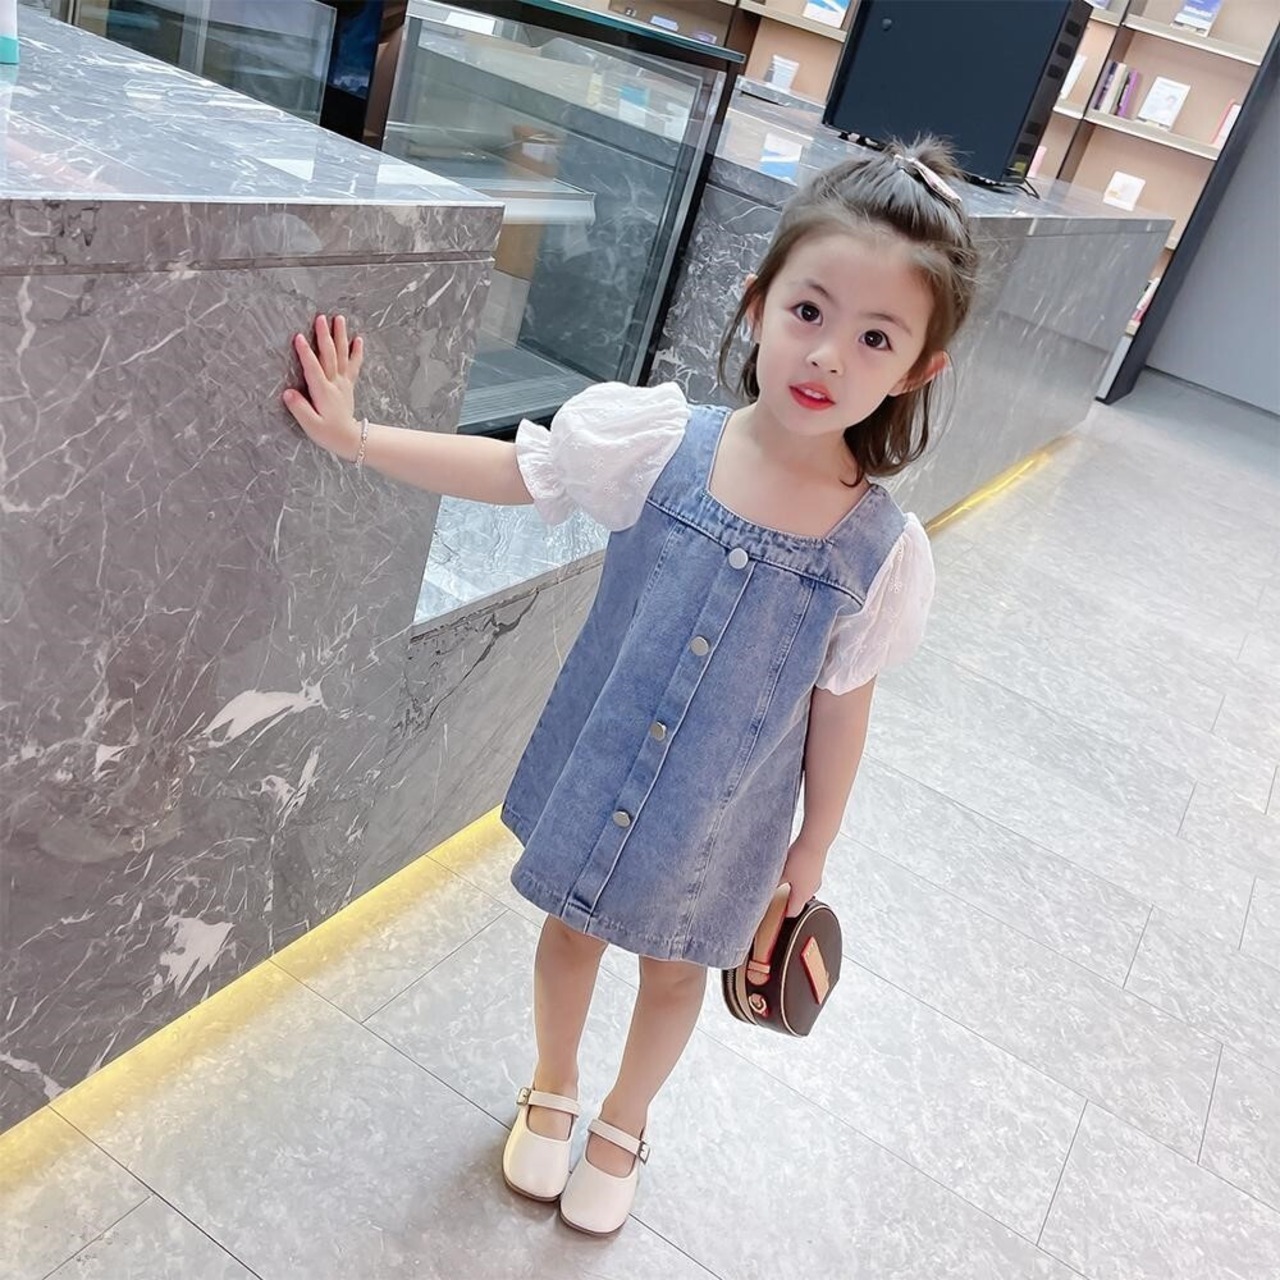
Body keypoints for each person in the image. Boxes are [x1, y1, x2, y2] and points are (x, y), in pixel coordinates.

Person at [282, 136, 979, 1237]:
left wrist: (812, 848)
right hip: (602, 760)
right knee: (570, 931)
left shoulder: (881, 551)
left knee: (671, 971)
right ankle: (552, 1084)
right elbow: (519, 470)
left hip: (723, 810)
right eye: (808, 310)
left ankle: (624, 1119)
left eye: (875, 337)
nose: (826, 355)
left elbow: (844, 702)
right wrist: (359, 436)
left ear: (916, 370)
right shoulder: (657, 441)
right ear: (757, 302)